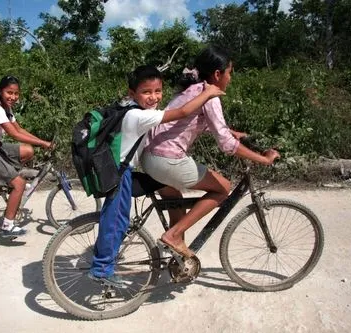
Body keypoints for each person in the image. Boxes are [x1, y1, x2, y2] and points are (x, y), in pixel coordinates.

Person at [89, 65, 224, 288]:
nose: (154, 97)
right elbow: (181, 113)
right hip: (119, 173)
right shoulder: (139, 115)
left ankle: (173, 240)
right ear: (132, 93)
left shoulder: (129, 107)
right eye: (147, 92)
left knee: (162, 197)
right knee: (116, 221)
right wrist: (207, 93)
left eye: (158, 91)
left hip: (121, 169)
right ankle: (102, 269)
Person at [141, 45, 280, 258]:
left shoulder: (192, 90)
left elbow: (195, 122)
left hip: (149, 159)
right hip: (167, 159)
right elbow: (226, 145)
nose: (230, 78)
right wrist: (263, 159)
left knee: (176, 201)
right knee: (223, 188)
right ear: (217, 74)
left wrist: (231, 131)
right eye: (230, 72)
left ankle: (178, 260)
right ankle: (174, 235)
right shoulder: (209, 94)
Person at [0, 75, 52, 238]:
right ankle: (7, 225)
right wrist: (43, 143)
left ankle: (8, 182)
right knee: (20, 184)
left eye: (16, 93)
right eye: (9, 92)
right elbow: (14, 134)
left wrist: (41, 141)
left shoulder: (5, 107)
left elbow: (19, 130)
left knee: (27, 151)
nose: (13, 97)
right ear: (0, 91)